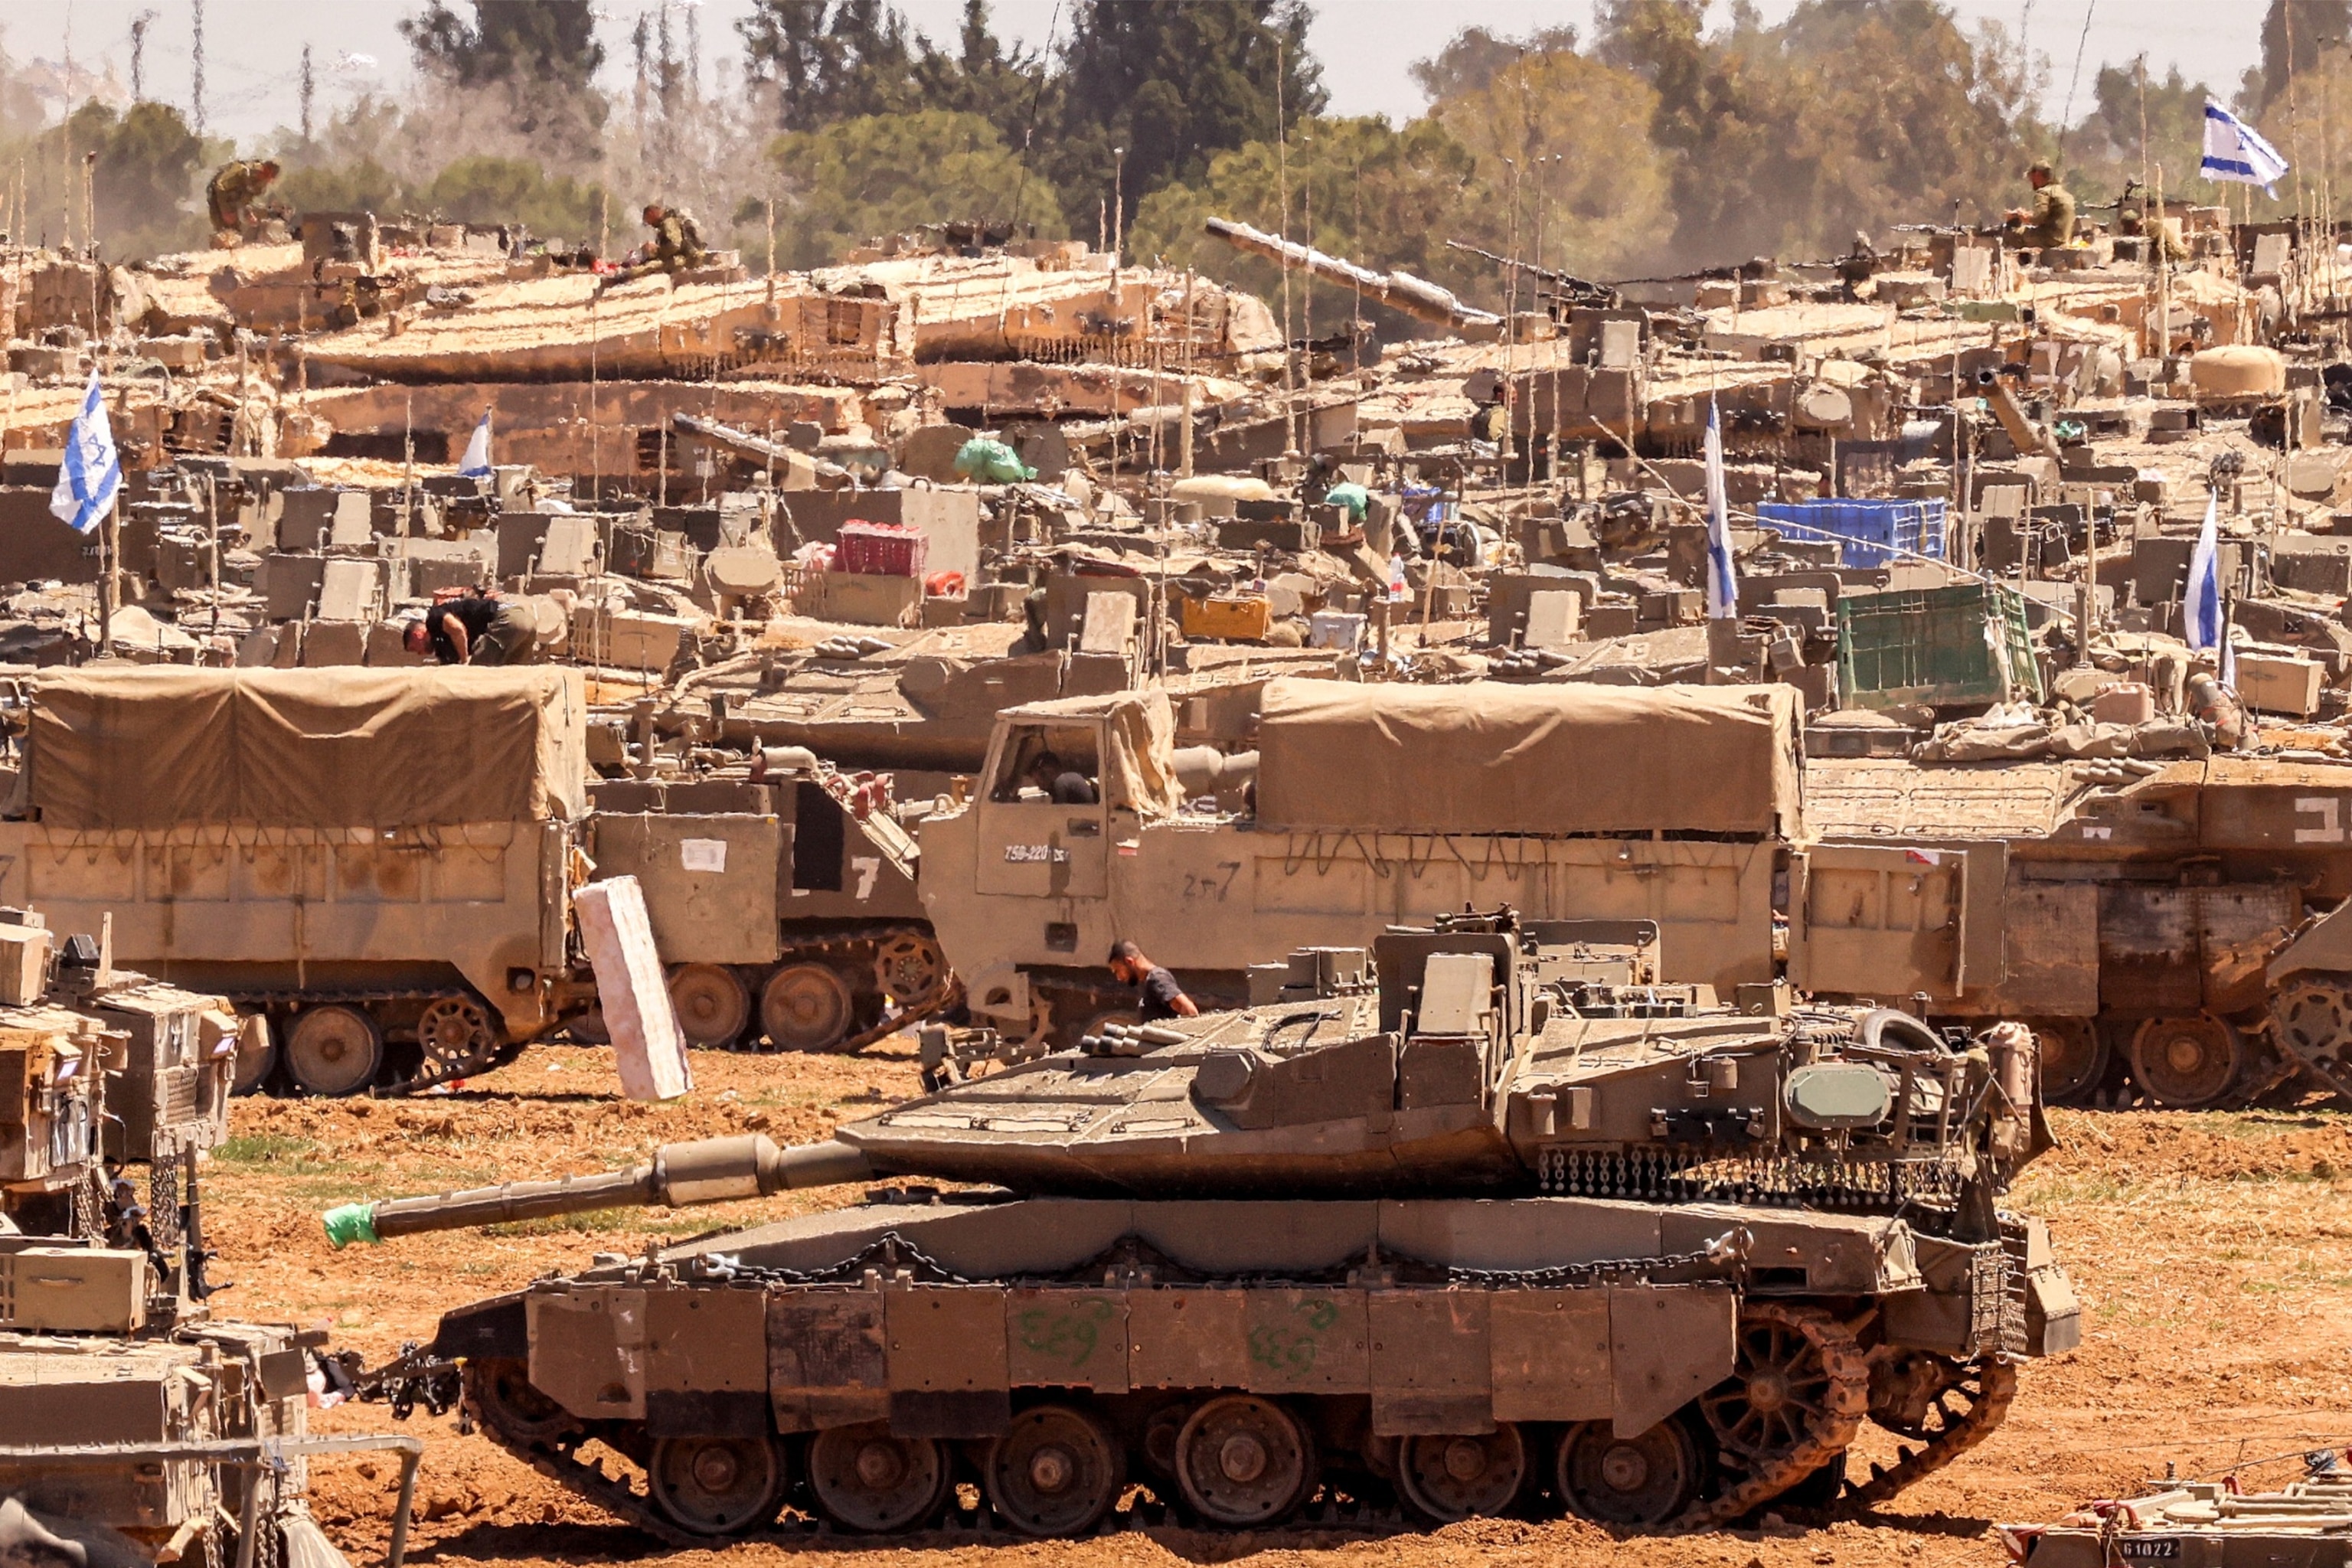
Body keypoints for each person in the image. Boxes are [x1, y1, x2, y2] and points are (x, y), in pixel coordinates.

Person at [403, 593, 542, 667]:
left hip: (508, 619)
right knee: (512, 676)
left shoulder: (433, 618)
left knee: (476, 675)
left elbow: (458, 629)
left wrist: (465, 661)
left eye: (414, 648)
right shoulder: (443, 648)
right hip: (528, 622)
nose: (419, 653)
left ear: (418, 634)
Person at [603, 203, 710, 288]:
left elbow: (675, 245)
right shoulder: (670, 221)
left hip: (686, 260)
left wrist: (657, 250)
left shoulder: (669, 223)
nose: (650, 225)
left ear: (651, 214)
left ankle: (620, 279)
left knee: (650, 267)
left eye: (649, 221)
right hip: (685, 257)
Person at [1109, 940, 1197, 1022]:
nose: (1119, 978)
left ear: (1130, 962)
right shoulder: (1148, 981)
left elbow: (1189, 1010)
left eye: (1118, 971)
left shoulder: (1157, 979)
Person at [2006, 162, 2076, 251]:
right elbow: (2050, 216)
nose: (2031, 181)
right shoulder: (2064, 193)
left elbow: (2039, 217)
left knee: (2013, 234)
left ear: (2037, 174)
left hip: (2049, 238)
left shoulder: (2043, 192)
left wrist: (2021, 216)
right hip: (2064, 239)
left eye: (2031, 176)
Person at [206, 158, 281, 239]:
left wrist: (248, 214)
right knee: (222, 227)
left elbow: (244, 200)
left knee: (234, 232)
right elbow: (220, 187)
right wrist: (226, 210)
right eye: (266, 175)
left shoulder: (258, 185)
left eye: (268, 179)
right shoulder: (242, 171)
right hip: (218, 193)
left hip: (231, 199)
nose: (265, 182)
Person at [1027, 750, 1099, 805]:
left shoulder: (1061, 782)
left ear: (1049, 772)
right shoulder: (1068, 778)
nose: (1040, 787)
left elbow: (1059, 814)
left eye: (1038, 782)